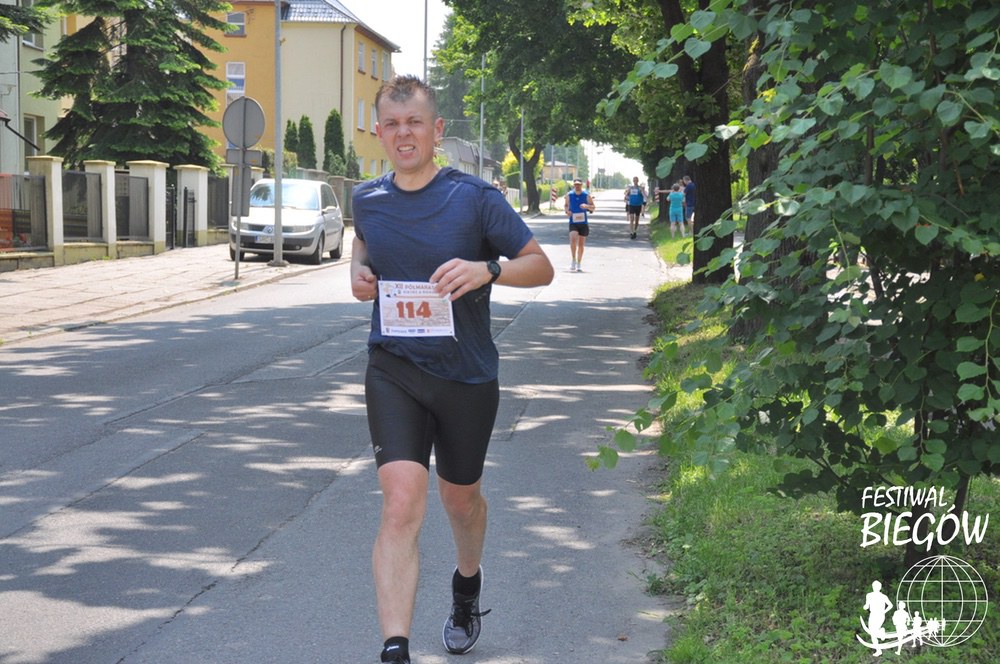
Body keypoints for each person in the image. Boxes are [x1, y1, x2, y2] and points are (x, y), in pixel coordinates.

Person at [351, 75, 554, 664]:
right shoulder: (366, 198)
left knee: (460, 499)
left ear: (436, 129)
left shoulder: (475, 198)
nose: (403, 134)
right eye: (392, 124)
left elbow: (540, 266)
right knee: (401, 502)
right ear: (379, 131)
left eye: (414, 122)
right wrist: (359, 271)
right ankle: (395, 648)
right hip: (394, 367)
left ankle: (467, 588)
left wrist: (488, 269)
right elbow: (365, 241)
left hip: (465, 375)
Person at [564, 178, 595, 272]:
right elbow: (566, 205)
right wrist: (567, 211)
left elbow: (593, 207)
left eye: (579, 184)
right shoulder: (569, 195)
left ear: (582, 185)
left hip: (583, 222)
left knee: (581, 244)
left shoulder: (586, 195)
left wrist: (587, 206)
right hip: (573, 222)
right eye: (576, 184)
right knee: (573, 239)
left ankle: (579, 263)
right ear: (574, 185)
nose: (577, 186)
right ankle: (573, 260)